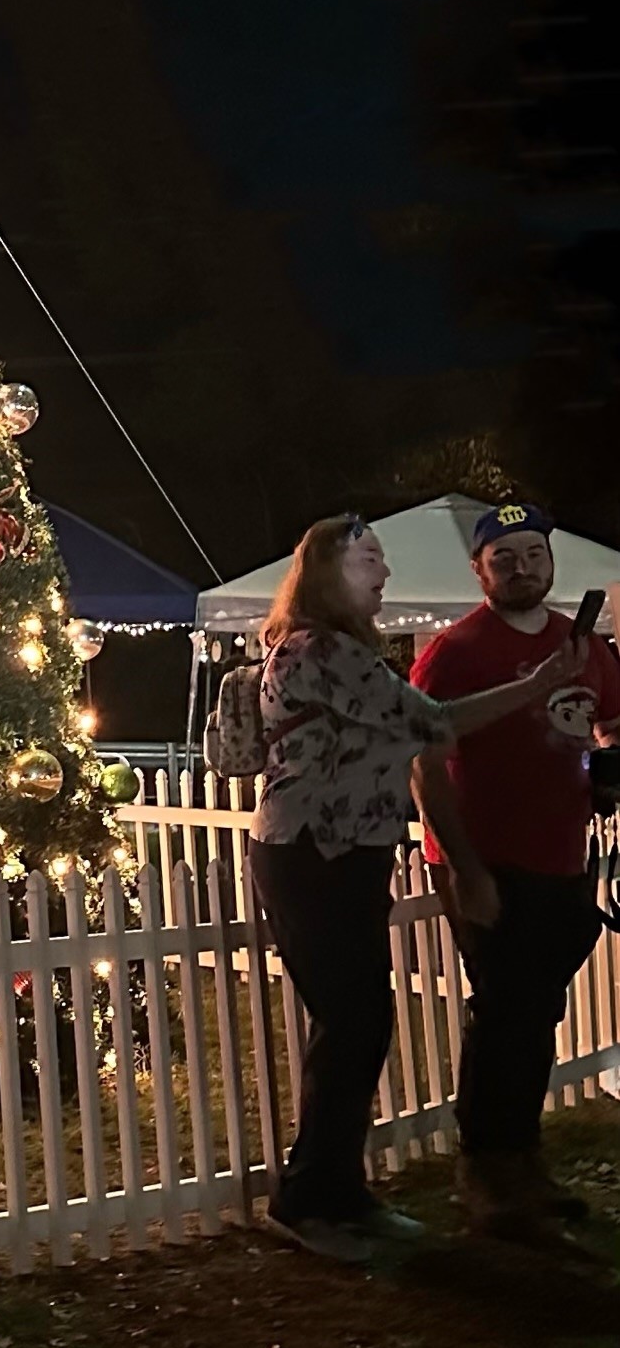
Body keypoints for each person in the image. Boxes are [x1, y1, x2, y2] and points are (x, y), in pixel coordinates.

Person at [248, 514, 581, 1264]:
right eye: (370, 559)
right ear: (329, 569)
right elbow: (432, 724)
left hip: (339, 853)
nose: (385, 573)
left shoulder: (335, 652)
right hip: (314, 855)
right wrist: (534, 686)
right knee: (354, 1022)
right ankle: (311, 1197)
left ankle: (339, 1191)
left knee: (360, 1020)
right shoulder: (323, 650)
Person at [409, 503, 620, 1241]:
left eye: (534, 555)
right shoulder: (454, 651)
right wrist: (464, 867)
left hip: (564, 853)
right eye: (506, 558)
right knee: (503, 1012)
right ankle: (485, 1170)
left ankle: (524, 1159)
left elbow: (608, 719)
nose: (523, 568)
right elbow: (424, 762)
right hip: (488, 857)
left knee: (540, 1013)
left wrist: (605, 760)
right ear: (480, 569)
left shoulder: (583, 643)